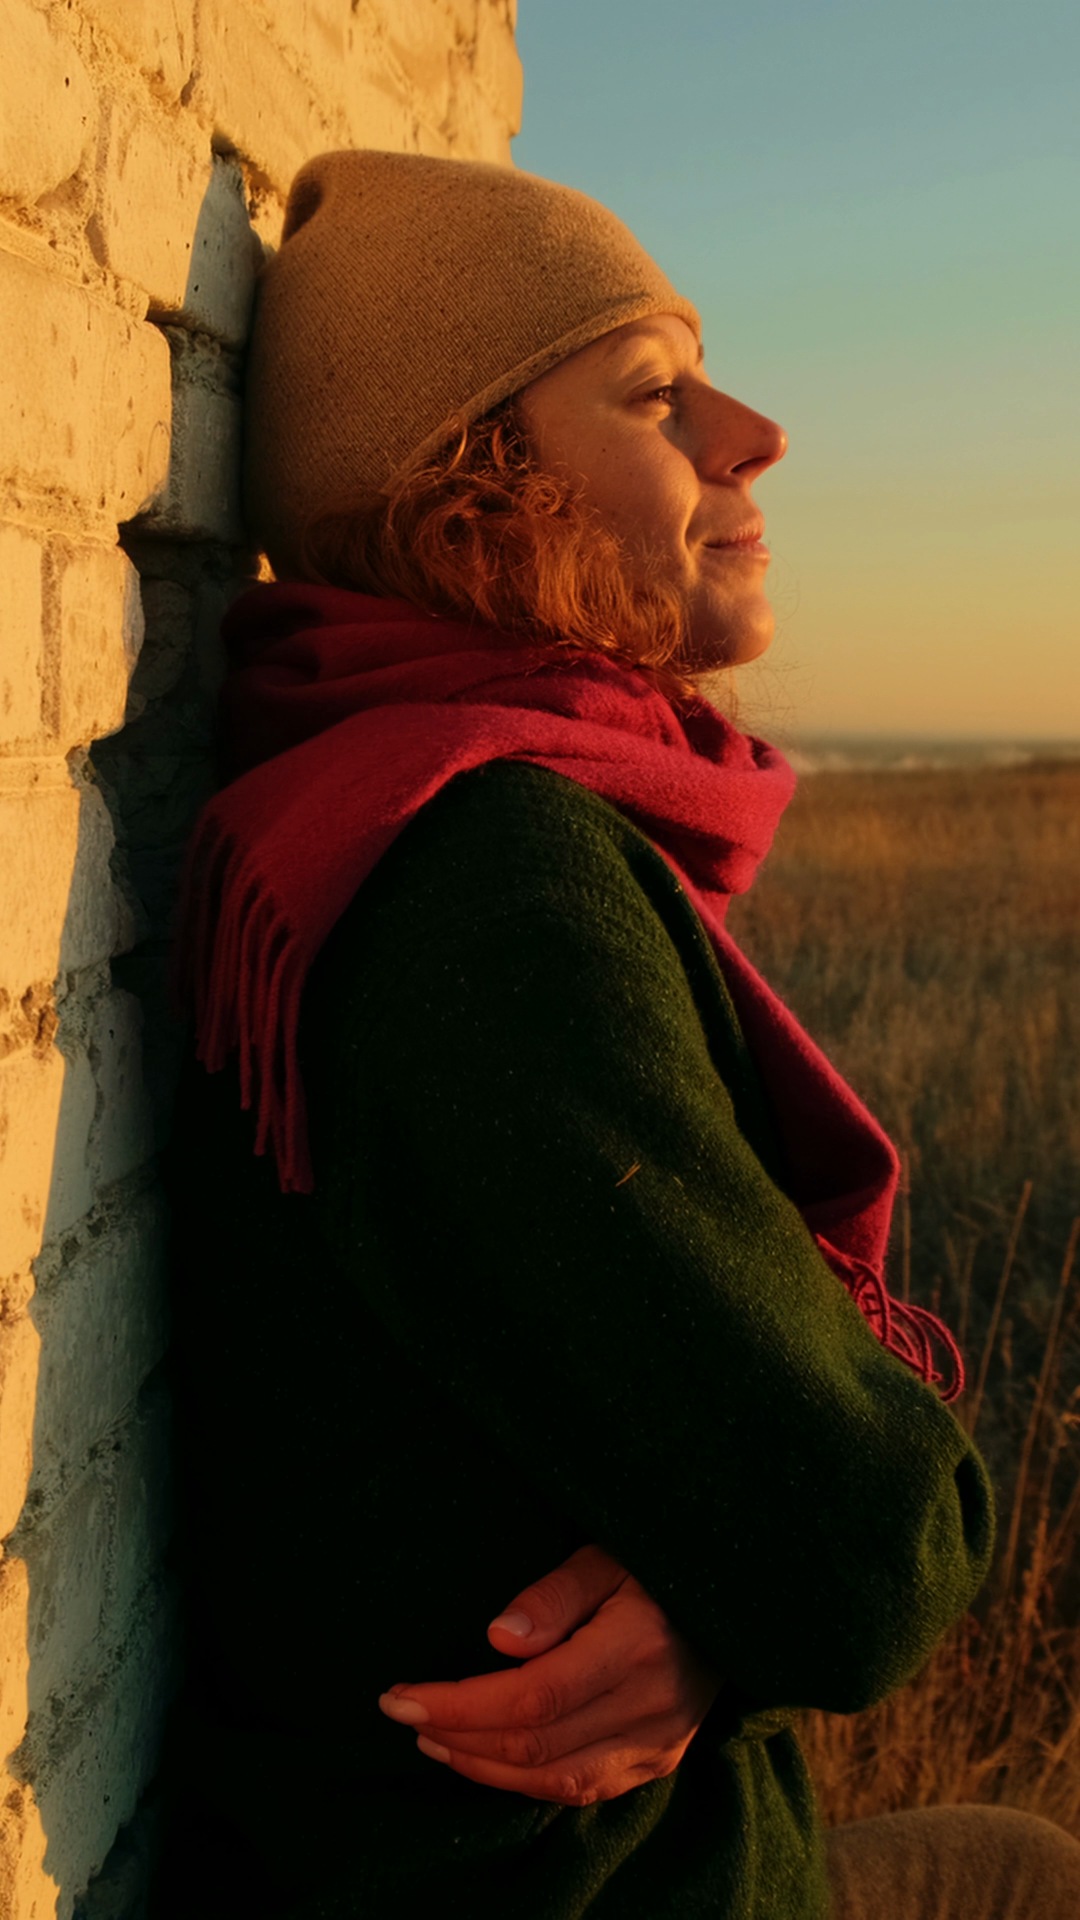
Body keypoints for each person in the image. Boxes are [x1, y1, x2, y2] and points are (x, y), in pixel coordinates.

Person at [156, 151, 1080, 1919]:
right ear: (471, 498)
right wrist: (757, 1576)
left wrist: (712, 1600)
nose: (758, 435)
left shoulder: (381, 802)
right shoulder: (491, 883)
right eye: (656, 394)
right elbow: (870, 1553)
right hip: (602, 1888)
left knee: (1022, 1866)